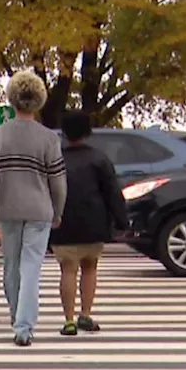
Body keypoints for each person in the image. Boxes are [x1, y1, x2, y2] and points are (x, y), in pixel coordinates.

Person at [0, 70, 66, 346]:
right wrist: (58, 210)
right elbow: (58, 181)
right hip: (40, 209)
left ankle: (15, 315)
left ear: (12, 99)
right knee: (32, 267)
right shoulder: (49, 139)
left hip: (7, 209)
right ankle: (24, 325)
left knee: (11, 267)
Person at [50, 110, 128, 336]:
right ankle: (85, 314)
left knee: (67, 270)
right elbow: (112, 193)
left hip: (62, 222)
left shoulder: (56, 158)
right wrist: (122, 222)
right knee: (90, 268)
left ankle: (68, 321)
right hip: (94, 222)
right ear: (87, 131)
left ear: (64, 132)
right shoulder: (99, 158)